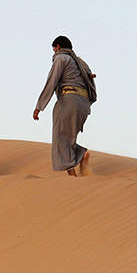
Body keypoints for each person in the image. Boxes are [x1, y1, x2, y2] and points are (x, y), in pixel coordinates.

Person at [32, 35, 97, 176]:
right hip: (84, 104)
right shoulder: (81, 63)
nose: (54, 52)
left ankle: (72, 176)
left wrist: (39, 106)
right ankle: (81, 155)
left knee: (60, 138)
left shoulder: (61, 58)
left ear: (58, 47)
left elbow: (51, 82)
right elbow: (92, 86)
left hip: (69, 100)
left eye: (54, 49)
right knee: (68, 138)